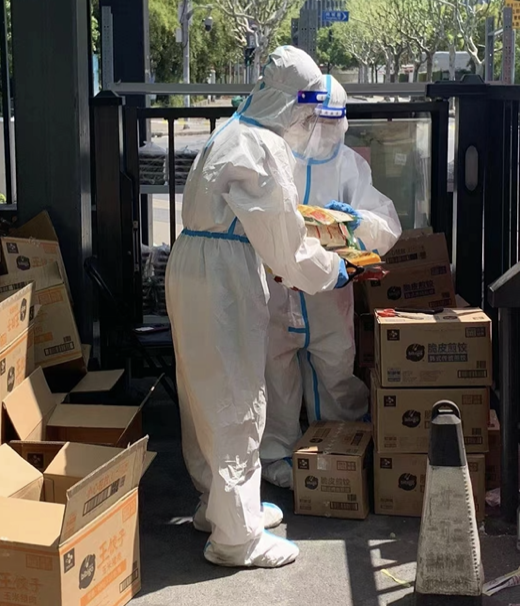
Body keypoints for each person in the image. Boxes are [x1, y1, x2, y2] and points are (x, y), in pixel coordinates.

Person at [166, 46, 350, 568]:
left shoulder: (232, 130)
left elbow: (270, 224)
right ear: (292, 103)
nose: (308, 120)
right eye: (308, 110)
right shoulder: (263, 147)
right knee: (236, 396)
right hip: (223, 277)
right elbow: (286, 243)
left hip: (195, 265)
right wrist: (330, 270)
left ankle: (219, 505)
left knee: (201, 391)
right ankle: (236, 538)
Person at [259, 74, 402, 488]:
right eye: (315, 122)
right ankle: (277, 456)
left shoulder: (349, 165)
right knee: (276, 375)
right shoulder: (276, 154)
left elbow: (386, 225)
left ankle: (342, 447)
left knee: (336, 372)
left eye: (329, 122)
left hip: (328, 291)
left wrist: (359, 223)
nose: (322, 133)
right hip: (277, 290)